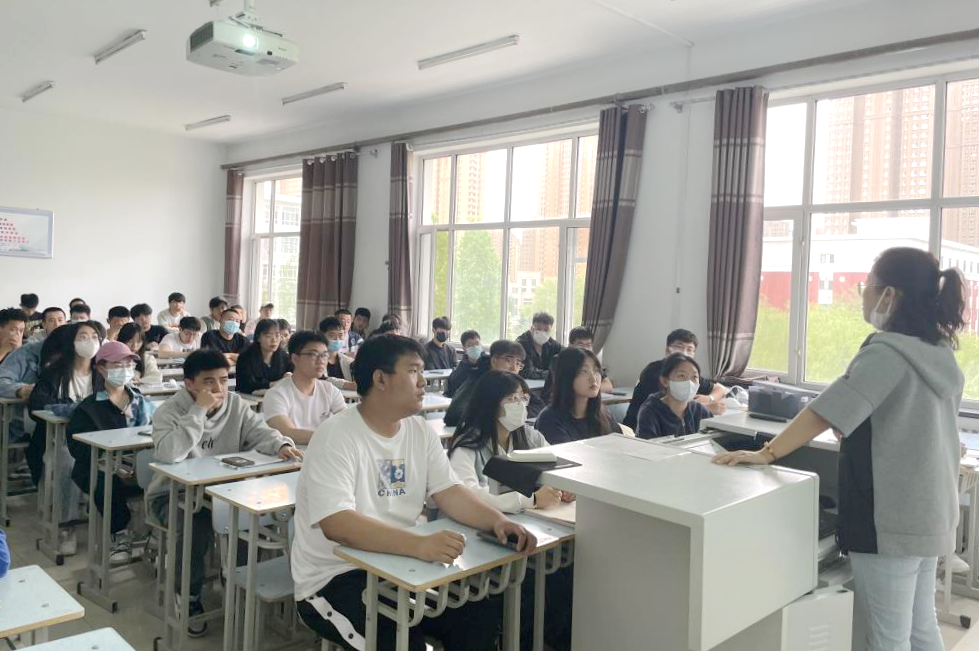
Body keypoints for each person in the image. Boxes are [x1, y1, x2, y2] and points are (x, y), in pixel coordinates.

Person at [714, 248, 967, 651]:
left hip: (891, 521)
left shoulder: (887, 352)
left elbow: (824, 411)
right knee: (922, 628)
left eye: (869, 285)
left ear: (890, 294)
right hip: (931, 516)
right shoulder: (938, 353)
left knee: (889, 639)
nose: (863, 293)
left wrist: (768, 452)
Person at [290, 334, 536, 651]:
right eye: (413, 371)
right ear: (380, 379)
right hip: (336, 578)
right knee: (403, 643)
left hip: (402, 565)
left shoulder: (419, 431)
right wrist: (419, 545)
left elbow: (450, 492)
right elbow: (338, 524)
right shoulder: (336, 435)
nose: (423, 381)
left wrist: (497, 521)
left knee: (478, 615)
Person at [148, 349, 302, 636]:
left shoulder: (236, 404)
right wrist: (198, 411)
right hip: (174, 494)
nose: (219, 388)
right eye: (209, 382)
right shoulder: (169, 411)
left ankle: (235, 581)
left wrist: (281, 445)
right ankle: (187, 594)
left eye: (223, 379)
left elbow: (261, 432)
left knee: (247, 522)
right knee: (194, 526)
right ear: (189, 384)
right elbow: (170, 453)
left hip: (226, 491)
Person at [447, 369, 573, 650]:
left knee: (562, 578)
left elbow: (560, 466)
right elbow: (468, 495)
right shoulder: (469, 444)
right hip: (477, 536)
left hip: (527, 528)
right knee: (529, 586)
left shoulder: (529, 437)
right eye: (511, 399)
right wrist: (530, 499)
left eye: (523, 398)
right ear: (491, 403)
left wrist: (565, 487)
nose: (520, 405)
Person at [66, 341, 154, 564]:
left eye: (128, 364)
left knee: (166, 478)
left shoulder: (141, 401)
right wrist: (112, 463)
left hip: (137, 465)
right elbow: (78, 447)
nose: (124, 369)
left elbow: (155, 433)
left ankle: (154, 533)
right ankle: (119, 534)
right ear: (101, 368)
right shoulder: (88, 408)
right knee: (107, 481)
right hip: (97, 467)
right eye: (117, 365)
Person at [28, 322, 104, 556]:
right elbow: (36, 405)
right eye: (83, 336)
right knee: (68, 461)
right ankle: (66, 525)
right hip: (57, 440)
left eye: (94, 336)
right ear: (71, 342)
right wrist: (73, 409)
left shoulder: (102, 373)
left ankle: (114, 530)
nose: (90, 341)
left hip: (96, 440)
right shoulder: (55, 372)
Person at [623, 329, 729, 430]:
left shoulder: (690, 374)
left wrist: (709, 398)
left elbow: (720, 389)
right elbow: (666, 407)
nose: (684, 353)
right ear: (667, 350)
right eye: (679, 347)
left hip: (673, 430)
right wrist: (706, 408)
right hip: (637, 429)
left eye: (689, 349)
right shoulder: (654, 372)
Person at [263, 331, 346, 444]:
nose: (321, 361)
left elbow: (346, 422)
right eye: (313, 354)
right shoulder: (276, 394)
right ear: (295, 359)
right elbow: (288, 432)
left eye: (324, 355)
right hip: (291, 453)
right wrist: (332, 438)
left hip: (323, 449)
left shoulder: (330, 390)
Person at [445, 340, 545, 427]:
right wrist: (498, 414)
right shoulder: (478, 380)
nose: (514, 368)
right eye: (508, 361)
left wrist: (513, 413)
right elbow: (453, 415)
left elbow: (539, 406)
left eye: (518, 363)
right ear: (493, 361)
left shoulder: (515, 383)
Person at [536, 347, 622, 445]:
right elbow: (566, 454)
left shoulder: (603, 413)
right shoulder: (550, 419)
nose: (593, 378)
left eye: (596, 370)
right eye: (583, 371)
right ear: (567, 376)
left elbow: (620, 445)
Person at [635, 354, 712, 439]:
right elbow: (647, 445)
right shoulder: (650, 412)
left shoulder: (701, 411)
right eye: (681, 376)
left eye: (694, 377)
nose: (689, 382)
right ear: (665, 381)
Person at [542, 326, 613, 399]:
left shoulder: (591, 361)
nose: (585, 349)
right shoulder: (559, 360)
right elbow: (567, 388)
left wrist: (592, 389)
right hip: (555, 401)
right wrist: (591, 388)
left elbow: (608, 385)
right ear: (570, 346)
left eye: (588, 345)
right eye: (581, 345)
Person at [235, 319, 291, 395]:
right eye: (268, 336)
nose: (274, 340)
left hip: (278, 397)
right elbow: (246, 385)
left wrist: (290, 376)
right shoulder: (245, 358)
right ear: (258, 337)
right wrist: (273, 384)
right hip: (248, 398)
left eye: (277, 335)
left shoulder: (285, 357)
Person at [516, 312, 563, 381]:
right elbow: (527, 372)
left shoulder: (551, 343)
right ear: (532, 328)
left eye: (546, 330)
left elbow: (566, 354)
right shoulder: (521, 344)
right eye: (539, 329)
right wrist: (552, 373)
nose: (542, 333)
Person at [316, 317, 356, 389]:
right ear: (321, 336)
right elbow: (320, 379)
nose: (337, 339)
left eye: (340, 335)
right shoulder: (314, 359)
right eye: (332, 335)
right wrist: (345, 384)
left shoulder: (348, 361)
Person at [446, 330, 482, 398]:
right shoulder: (460, 372)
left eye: (477, 343)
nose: (474, 347)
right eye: (470, 345)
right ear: (464, 348)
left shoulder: (489, 364)